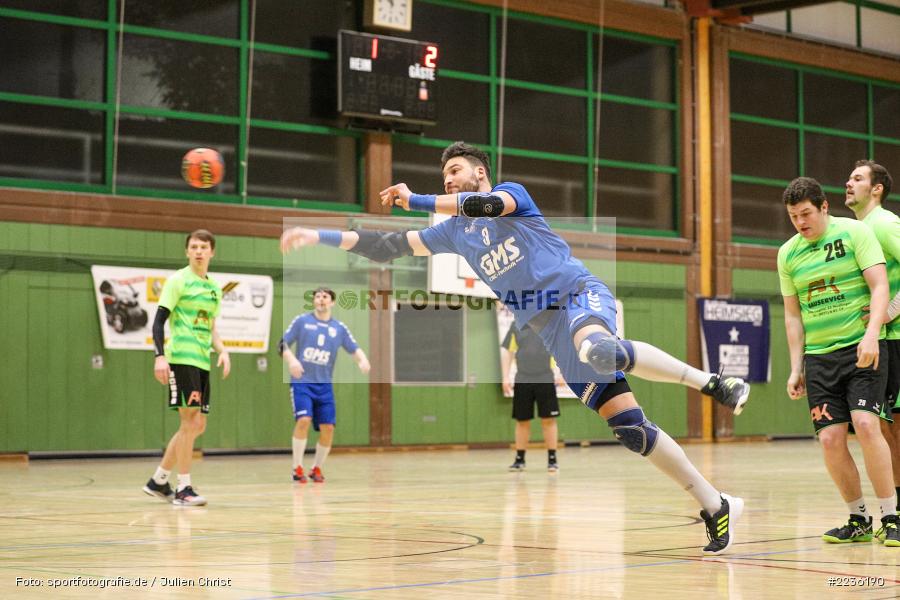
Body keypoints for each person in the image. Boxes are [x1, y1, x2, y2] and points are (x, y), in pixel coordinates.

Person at [280, 141, 751, 554]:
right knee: (630, 430)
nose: (448, 179)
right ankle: (716, 503)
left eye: (454, 173)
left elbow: (482, 207)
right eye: (443, 177)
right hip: (546, 331)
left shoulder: (511, 195)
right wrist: (318, 235)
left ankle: (712, 381)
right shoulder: (452, 233)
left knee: (596, 349)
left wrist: (417, 198)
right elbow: (385, 245)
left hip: (576, 297)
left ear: (478, 174)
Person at [777, 176, 898, 547]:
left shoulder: (855, 233)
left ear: (824, 207)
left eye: (807, 213)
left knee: (865, 423)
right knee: (830, 439)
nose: (801, 222)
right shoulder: (787, 254)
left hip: (860, 348)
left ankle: (891, 515)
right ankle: (858, 518)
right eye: (794, 216)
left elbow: (880, 285)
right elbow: (793, 316)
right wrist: (796, 366)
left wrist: (871, 334)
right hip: (819, 359)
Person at [143, 229, 230, 507]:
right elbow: (158, 322)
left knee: (197, 425)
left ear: (212, 252)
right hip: (181, 358)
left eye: (204, 247)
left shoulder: (214, 288)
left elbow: (211, 327)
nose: (199, 251)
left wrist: (223, 349)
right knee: (188, 422)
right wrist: (160, 356)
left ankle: (158, 480)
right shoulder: (178, 281)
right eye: (194, 246)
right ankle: (183, 489)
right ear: (187, 251)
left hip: (202, 361)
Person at [845, 160, 900, 530]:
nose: (849, 183)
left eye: (858, 179)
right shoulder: (859, 229)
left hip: (895, 338)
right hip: (878, 339)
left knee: (890, 427)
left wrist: (889, 312)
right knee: (885, 427)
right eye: (850, 178)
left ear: (876, 188)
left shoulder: (883, 223)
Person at [280, 286, 370, 483]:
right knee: (303, 420)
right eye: (318, 296)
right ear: (314, 301)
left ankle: (317, 468)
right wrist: (292, 360)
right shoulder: (302, 321)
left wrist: (362, 360)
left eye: (325, 297)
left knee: (328, 427)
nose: (321, 299)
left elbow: (354, 348)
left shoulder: (339, 328)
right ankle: (297, 467)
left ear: (332, 302)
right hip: (302, 382)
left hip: (324, 386)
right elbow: (282, 344)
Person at [501, 322, 562, 472]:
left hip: (545, 377)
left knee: (548, 420)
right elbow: (508, 351)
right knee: (522, 420)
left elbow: (560, 349)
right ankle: (519, 459)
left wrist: (561, 373)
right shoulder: (516, 325)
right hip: (523, 378)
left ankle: (552, 459)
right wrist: (505, 377)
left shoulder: (550, 325)